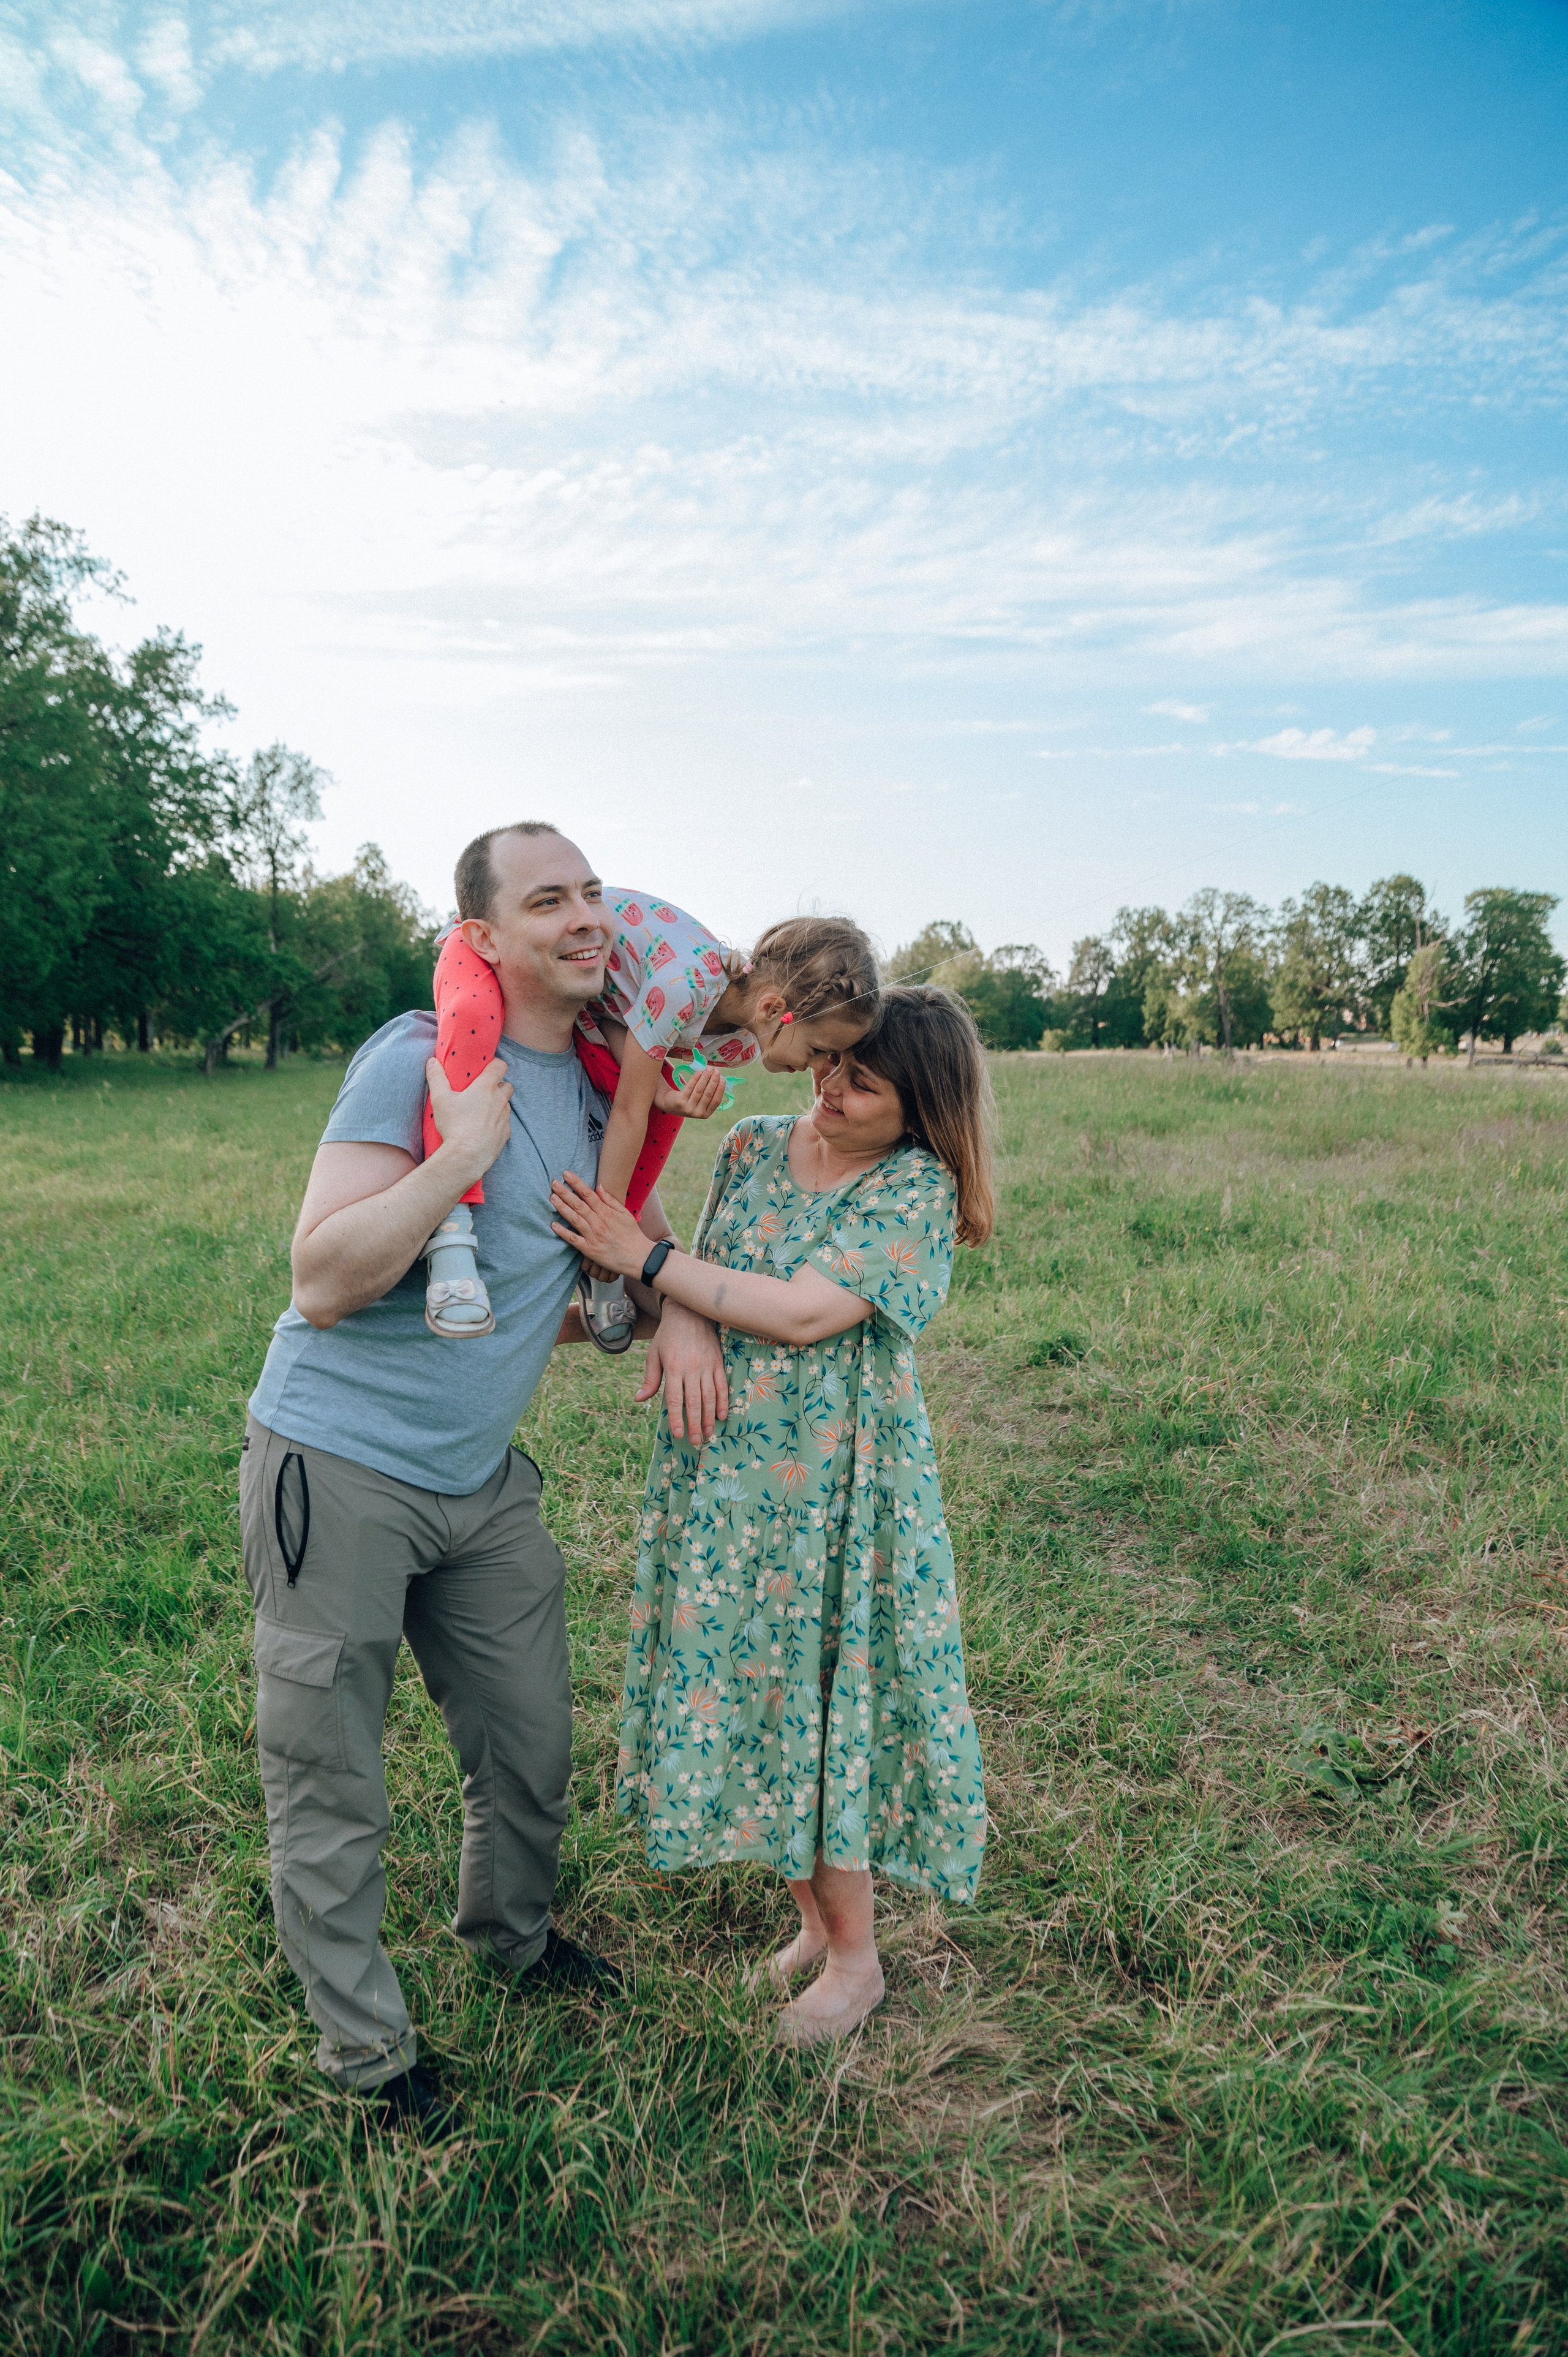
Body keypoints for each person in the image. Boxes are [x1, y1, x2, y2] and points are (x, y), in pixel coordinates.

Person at [240, 820, 729, 2133]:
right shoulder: (415, 1058)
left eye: (593, 894)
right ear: (485, 936)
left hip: (479, 1481)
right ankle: (369, 2056)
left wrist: (678, 1310)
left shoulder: (600, 1086)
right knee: (330, 1777)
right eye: (548, 899)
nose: (586, 918)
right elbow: (322, 1279)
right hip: (337, 1463)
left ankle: (512, 1936)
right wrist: (459, 1156)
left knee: (529, 1740)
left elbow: (627, 1258)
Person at [548, 986, 993, 2046]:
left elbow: (799, 1311)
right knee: (761, 1695)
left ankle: (855, 1962)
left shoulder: (915, 1186)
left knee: (824, 1703)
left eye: (863, 1083)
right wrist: (680, 1315)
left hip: (838, 1491)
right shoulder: (752, 1144)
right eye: (833, 1063)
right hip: (726, 1484)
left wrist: (647, 1259)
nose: (830, 1088)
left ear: (921, 1109)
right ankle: (812, 1925)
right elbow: (711, 1277)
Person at [418, 872, 882, 1351]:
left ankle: (610, 1250)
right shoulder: (684, 986)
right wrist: (609, 1218)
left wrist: (666, 1096)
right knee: (472, 1014)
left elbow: (625, 1033)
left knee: (665, 1110)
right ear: (772, 1008)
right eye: (818, 1050)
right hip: (493, 947)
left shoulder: (739, 1046)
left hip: (586, 1005)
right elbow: (627, 1110)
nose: (818, 1069)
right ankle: (453, 1228)